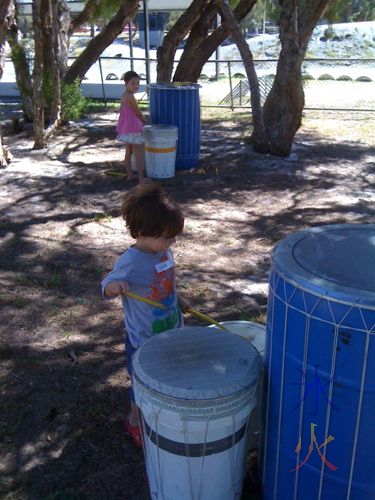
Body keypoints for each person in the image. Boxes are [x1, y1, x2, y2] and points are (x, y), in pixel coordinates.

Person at [101, 184, 190, 448]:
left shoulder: (163, 251)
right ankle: (135, 419)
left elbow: (168, 281)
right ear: (143, 233)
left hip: (171, 327)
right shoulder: (131, 260)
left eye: (173, 237)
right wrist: (115, 287)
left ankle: (166, 410)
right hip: (144, 338)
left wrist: (179, 299)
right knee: (141, 384)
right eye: (166, 238)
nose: (171, 243)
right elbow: (106, 285)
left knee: (168, 374)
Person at [116, 70, 149, 183]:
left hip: (126, 128)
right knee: (138, 152)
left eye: (138, 83)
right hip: (133, 127)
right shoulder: (130, 96)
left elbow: (121, 110)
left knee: (128, 151)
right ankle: (141, 177)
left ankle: (130, 175)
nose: (136, 86)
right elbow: (137, 110)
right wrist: (143, 119)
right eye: (133, 83)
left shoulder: (124, 95)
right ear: (126, 83)